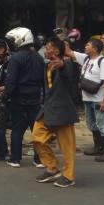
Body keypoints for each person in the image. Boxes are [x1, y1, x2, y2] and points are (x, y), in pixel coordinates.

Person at [33, 37, 78, 188]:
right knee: (37, 138)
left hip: (63, 111)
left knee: (67, 146)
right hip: (47, 110)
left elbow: (67, 71)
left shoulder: (68, 64)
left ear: (57, 51)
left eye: (47, 48)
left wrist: (63, 64)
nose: (45, 50)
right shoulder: (47, 66)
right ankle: (52, 168)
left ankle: (68, 176)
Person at [67, 38, 104, 162]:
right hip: (88, 98)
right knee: (92, 124)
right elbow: (69, 52)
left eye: (88, 45)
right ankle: (98, 147)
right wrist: (62, 40)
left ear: (95, 48)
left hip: (99, 99)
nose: (85, 46)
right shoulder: (86, 58)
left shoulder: (103, 61)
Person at [4, 27, 45, 168]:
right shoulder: (39, 58)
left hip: (18, 98)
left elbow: (11, 81)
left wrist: (6, 96)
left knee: (17, 129)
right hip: (35, 98)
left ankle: (15, 159)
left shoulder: (16, 58)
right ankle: (39, 159)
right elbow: (43, 81)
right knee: (37, 130)